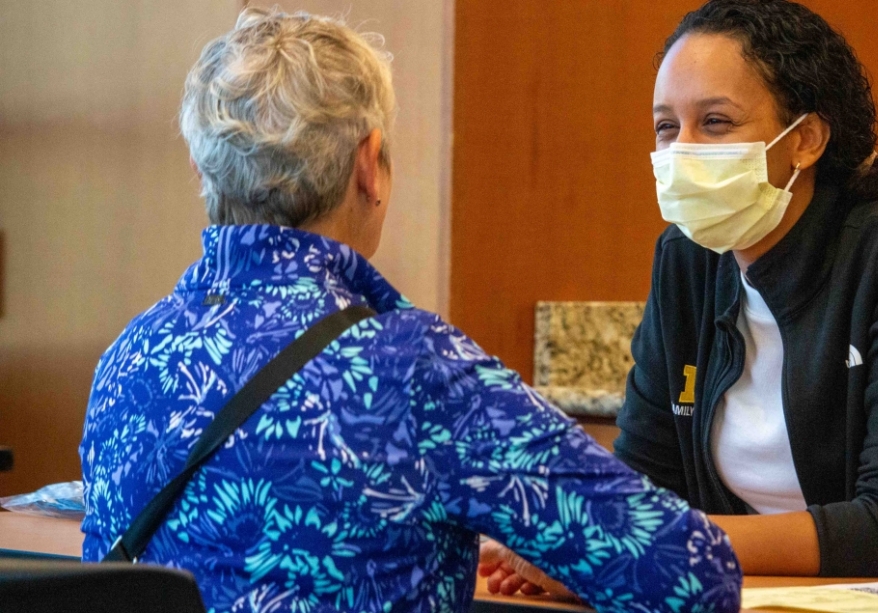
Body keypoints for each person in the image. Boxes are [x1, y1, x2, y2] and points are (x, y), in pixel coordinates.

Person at [78, 8, 742, 613]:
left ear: (202, 173)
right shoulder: (411, 369)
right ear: (370, 165)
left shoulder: (129, 358)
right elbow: (693, 574)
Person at [615, 0, 878, 579]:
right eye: (667, 127)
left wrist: (663, 539)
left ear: (807, 140)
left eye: (715, 121)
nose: (682, 150)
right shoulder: (686, 263)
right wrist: (580, 545)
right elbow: (642, 486)